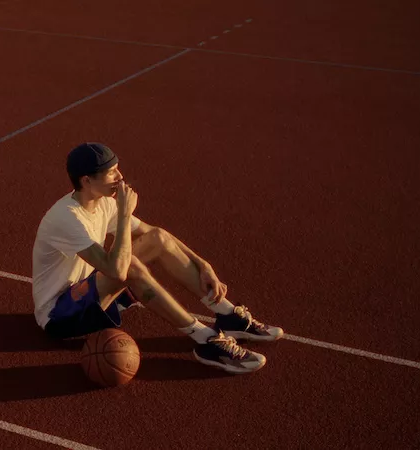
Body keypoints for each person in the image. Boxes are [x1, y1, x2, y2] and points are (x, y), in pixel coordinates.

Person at [31, 142, 284, 374]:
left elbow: (156, 235)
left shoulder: (102, 203)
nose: (120, 177)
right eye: (111, 173)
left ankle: (227, 313)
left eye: (118, 169)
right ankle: (206, 340)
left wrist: (203, 264)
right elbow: (117, 271)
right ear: (86, 180)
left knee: (158, 239)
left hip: (88, 291)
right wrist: (123, 215)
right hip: (59, 315)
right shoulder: (67, 218)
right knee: (129, 266)